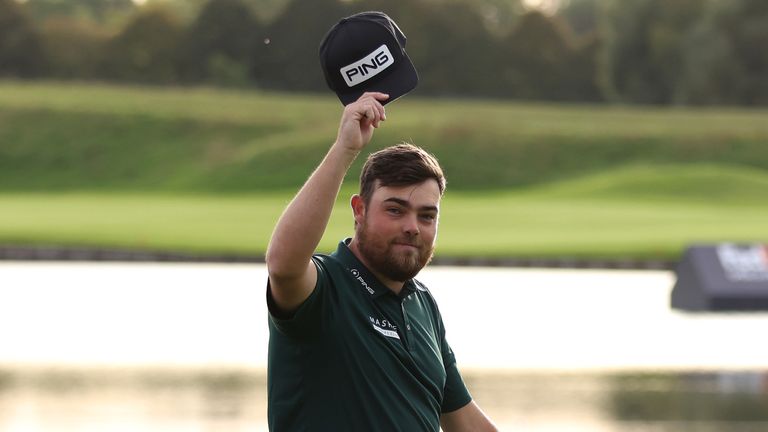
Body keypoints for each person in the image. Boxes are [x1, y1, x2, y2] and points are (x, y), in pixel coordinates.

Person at [265, 92, 498, 431]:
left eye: (426, 216)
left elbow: (462, 418)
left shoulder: (422, 303)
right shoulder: (326, 288)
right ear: (359, 210)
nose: (412, 227)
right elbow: (282, 265)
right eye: (395, 209)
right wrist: (345, 150)